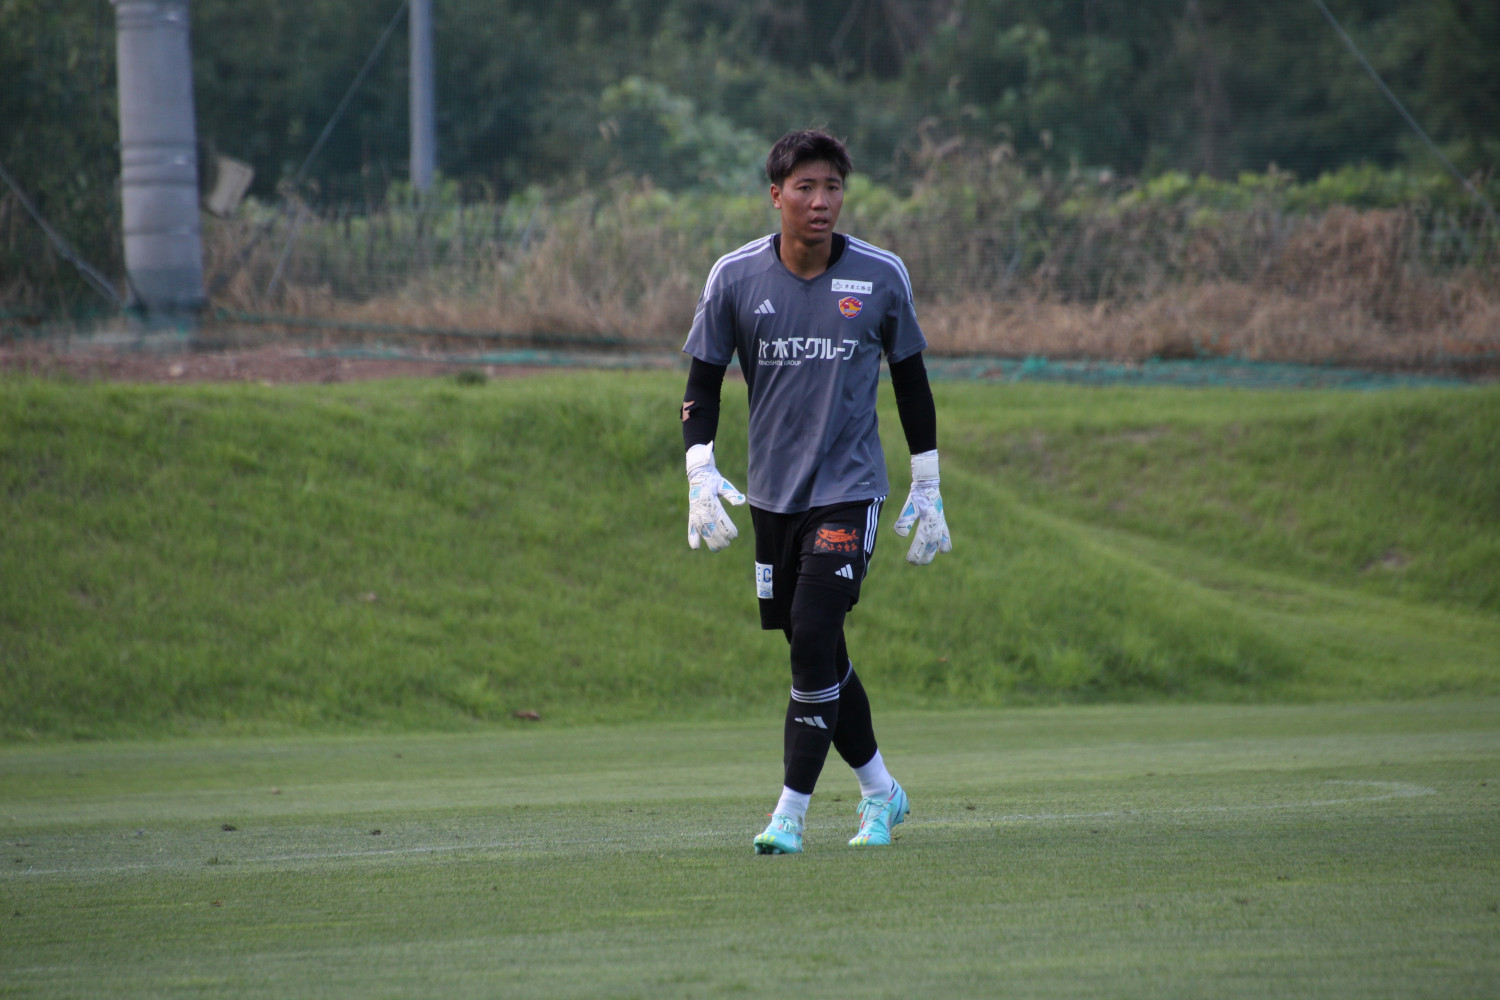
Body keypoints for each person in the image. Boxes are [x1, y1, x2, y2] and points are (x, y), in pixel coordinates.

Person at [679, 128, 952, 854]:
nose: (821, 200)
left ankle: (789, 816)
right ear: (777, 195)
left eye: (832, 186)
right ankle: (881, 793)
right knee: (816, 648)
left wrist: (927, 481)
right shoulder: (734, 278)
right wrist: (699, 468)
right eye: (805, 187)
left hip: (850, 490)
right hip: (773, 497)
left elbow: (912, 382)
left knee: (812, 638)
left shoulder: (881, 275)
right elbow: (702, 383)